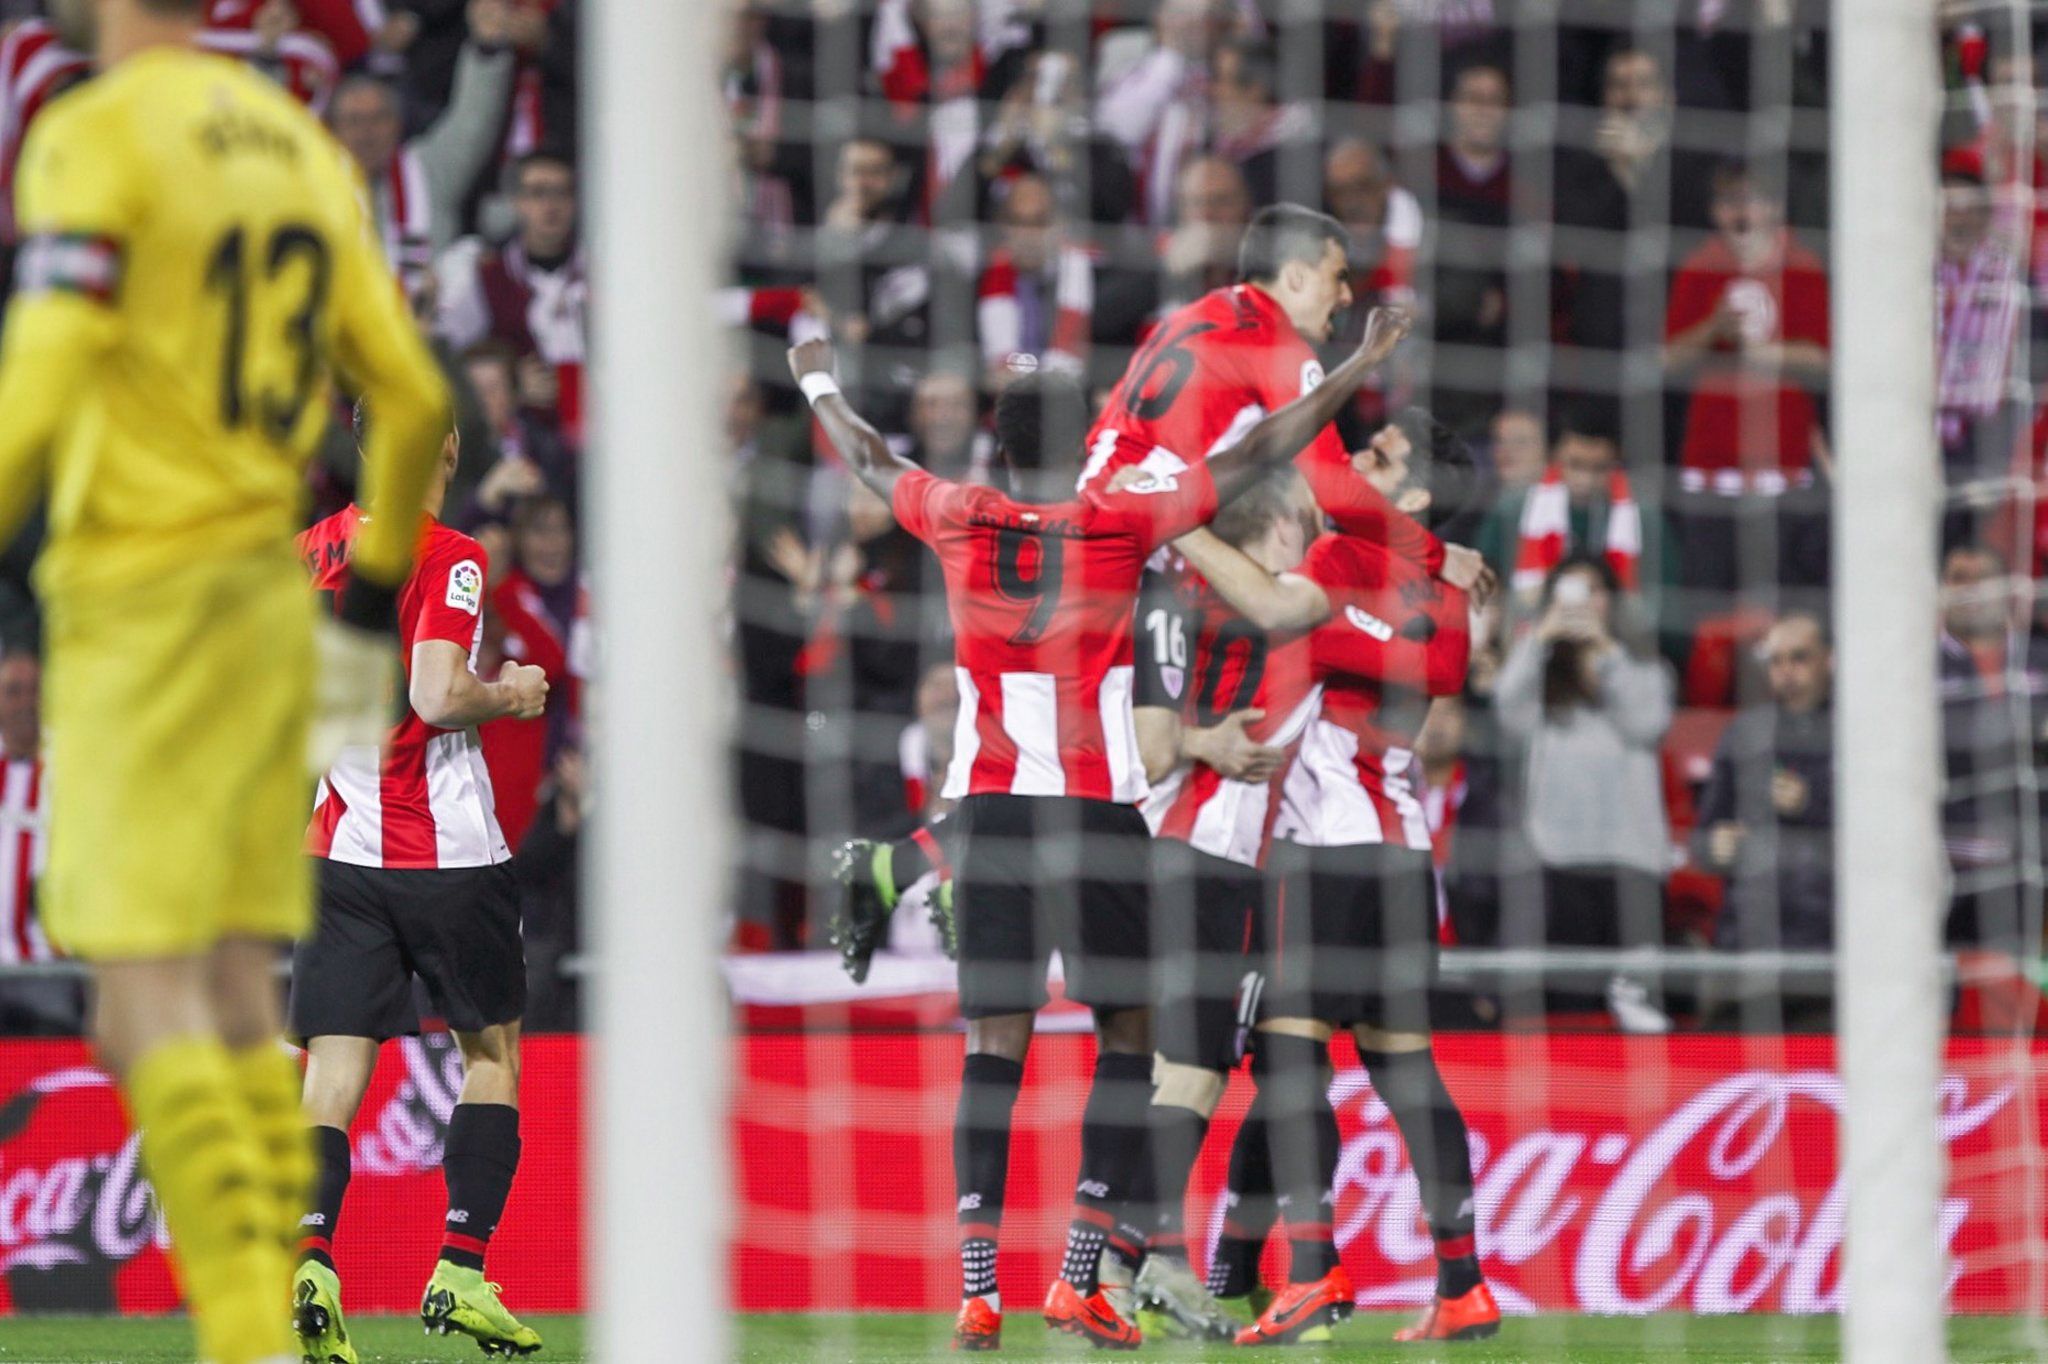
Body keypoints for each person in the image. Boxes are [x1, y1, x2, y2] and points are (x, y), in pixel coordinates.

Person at [790, 304, 1416, 1352]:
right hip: (1095, 818)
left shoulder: (951, 509)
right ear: (1086, 436)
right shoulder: (1121, 515)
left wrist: (815, 377)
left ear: (994, 438)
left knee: (992, 1050)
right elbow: (1255, 446)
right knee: (1127, 1036)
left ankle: (977, 1290)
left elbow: (866, 453)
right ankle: (1078, 1276)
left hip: (987, 815)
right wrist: (1354, 362)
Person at [0, 1, 450, 1360]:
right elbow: (417, 401)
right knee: (243, 991)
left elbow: (56, 355)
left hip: (140, 598)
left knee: (138, 996)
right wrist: (368, 608)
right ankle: (273, 1327)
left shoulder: (91, 135)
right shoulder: (303, 152)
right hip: (278, 604)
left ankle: (250, 1337)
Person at [1166, 414, 1499, 1347]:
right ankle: (1461, 1283)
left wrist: (1174, 523)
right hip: (1403, 858)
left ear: (1416, 495)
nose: (1353, 462)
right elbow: (1440, 660)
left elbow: (1287, 614)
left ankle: (1308, 1270)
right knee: (1405, 1068)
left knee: (1288, 1057)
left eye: (1380, 458)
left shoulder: (1344, 560)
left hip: (1326, 849)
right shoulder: (1443, 583)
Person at [290, 410, 547, 1363]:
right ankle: (461, 1270)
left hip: (341, 849)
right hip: (450, 858)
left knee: (334, 1070)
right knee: (492, 1057)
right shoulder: (452, 552)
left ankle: (313, 1258)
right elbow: (437, 695)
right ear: (447, 444)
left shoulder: (308, 551)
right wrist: (510, 690)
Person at [1494, 555, 1676, 1031]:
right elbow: (1506, 712)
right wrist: (1539, 638)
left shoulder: (1647, 671)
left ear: (1613, 601)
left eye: (1594, 591)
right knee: (1569, 1020)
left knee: (1641, 1022)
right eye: (1571, 593)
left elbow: (1647, 721)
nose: (1584, 604)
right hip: (1559, 865)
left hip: (1633, 865)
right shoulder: (1542, 683)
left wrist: (1604, 647)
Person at [325, 0, 516, 301]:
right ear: (333, 130)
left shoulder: (428, 169)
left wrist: (487, 50)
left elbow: (473, 121)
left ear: (397, 125)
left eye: (378, 118)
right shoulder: (312, 185)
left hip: (426, 333)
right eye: (354, 121)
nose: (366, 132)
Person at [1694, 612, 1835, 953]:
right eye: (1775, 661)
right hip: (1748, 935)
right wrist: (1716, 847)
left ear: (1830, 660)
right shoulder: (1744, 735)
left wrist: (1811, 805)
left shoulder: (1858, 733)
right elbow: (1702, 840)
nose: (1786, 670)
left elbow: (1886, 837)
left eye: (1799, 658)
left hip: (1830, 938)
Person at [0, 648, 73, 1035]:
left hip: (56, 974)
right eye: (14, 691)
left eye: (35, 690)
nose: (26, 702)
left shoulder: (73, 770)